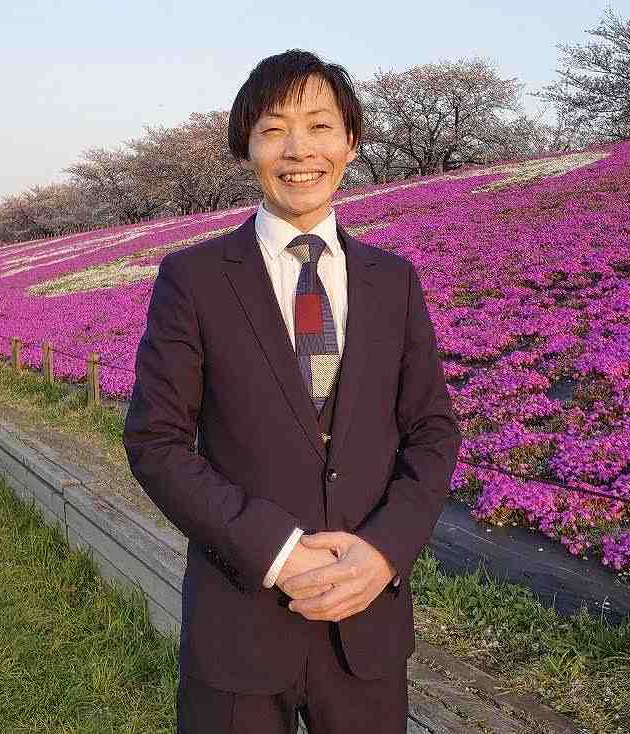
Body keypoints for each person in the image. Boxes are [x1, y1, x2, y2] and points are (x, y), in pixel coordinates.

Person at [122, 49, 462, 733]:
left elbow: (432, 430)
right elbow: (155, 442)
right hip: (239, 623)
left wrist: (383, 551)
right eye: (273, 130)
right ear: (245, 147)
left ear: (351, 142)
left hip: (366, 624)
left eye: (320, 126)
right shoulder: (194, 278)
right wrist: (277, 552)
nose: (299, 151)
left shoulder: (392, 280)